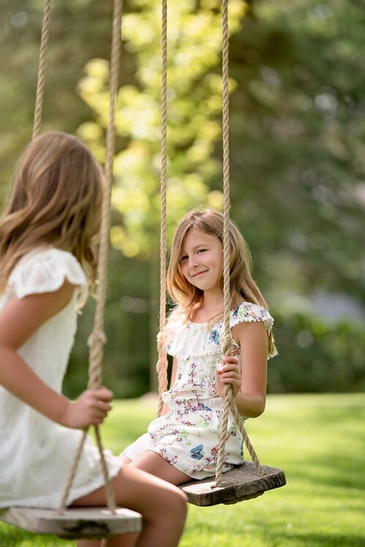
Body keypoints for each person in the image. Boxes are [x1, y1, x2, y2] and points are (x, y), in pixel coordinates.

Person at [0, 132, 187, 547]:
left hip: (17, 439)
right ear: (85, 201)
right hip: (22, 450)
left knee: (124, 521)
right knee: (169, 505)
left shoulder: (14, 259)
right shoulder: (56, 268)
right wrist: (66, 411)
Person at [121, 209, 277, 486]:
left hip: (211, 439)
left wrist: (232, 392)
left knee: (125, 484)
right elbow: (173, 399)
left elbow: (256, 405)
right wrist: (156, 437)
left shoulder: (246, 319)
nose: (192, 263)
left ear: (228, 249)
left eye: (201, 250)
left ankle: (162, 517)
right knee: (105, 479)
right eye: (183, 257)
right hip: (173, 433)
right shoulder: (182, 319)